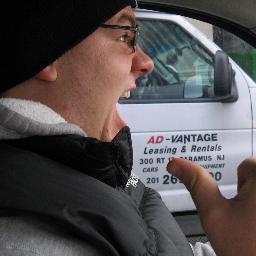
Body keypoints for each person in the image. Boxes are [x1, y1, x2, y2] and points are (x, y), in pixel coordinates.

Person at [0, 1, 255, 256]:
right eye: (125, 36)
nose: (146, 62)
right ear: (49, 50)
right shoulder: (29, 240)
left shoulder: (93, 167)